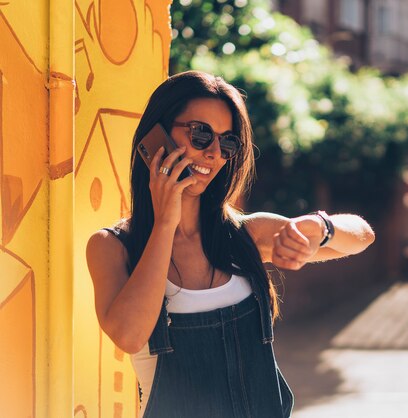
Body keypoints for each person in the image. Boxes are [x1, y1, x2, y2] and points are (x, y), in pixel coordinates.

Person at [85, 71, 375, 418]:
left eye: (227, 143)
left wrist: (320, 227)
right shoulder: (112, 247)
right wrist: (165, 221)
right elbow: (130, 336)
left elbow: (362, 236)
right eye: (201, 133)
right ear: (157, 134)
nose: (213, 153)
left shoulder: (244, 236)